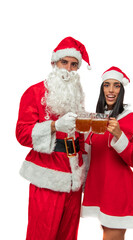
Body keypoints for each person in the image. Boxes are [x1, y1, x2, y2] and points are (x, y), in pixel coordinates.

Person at [16, 36, 91, 240]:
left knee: (69, 235)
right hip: (46, 176)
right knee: (42, 234)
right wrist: (53, 125)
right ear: (54, 63)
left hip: (73, 176)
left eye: (74, 64)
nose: (68, 68)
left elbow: (81, 139)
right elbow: (22, 134)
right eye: (64, 62)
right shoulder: (34, 92)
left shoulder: (77, 96)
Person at [81, 66, 133, 240]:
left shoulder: (131, 118)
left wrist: (119, 134)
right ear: (102, 89)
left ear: (122, 90)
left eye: (116, 85)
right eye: (107, 85)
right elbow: (89, 155)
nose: (111, 90)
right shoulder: (96, 118)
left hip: (118, 190)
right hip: (99, 188)